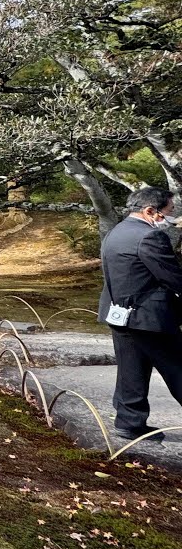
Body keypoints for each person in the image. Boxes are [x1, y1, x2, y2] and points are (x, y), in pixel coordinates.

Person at [99, 186, 182, 441]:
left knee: (131, 370)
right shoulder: (150, 237)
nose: (168, 218)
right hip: (149, 317)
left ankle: (129, 422)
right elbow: (173, 277)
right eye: (167, 213)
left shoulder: (116, 232)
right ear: (149, 210)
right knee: (179, 367)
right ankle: (130, 422)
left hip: (119, 312)